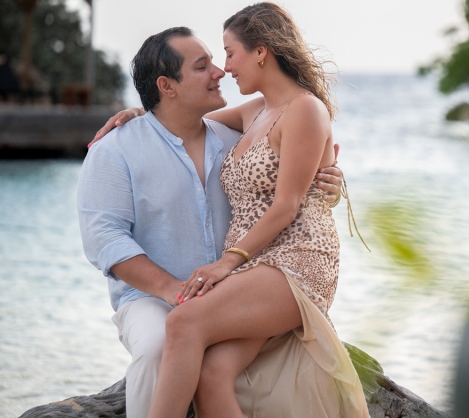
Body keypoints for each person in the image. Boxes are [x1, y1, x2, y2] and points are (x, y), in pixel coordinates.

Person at [77, 23, 350, 417]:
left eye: (223, 56)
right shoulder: (116, 148)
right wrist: (170, 289)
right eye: (203, 65)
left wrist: (330, 181)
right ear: (167, 86)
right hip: (153, 295)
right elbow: (104, 239)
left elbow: (291, 171)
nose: (220, 71)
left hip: (241, 278)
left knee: (199, 348)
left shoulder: (229, 136)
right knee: (157, 344)